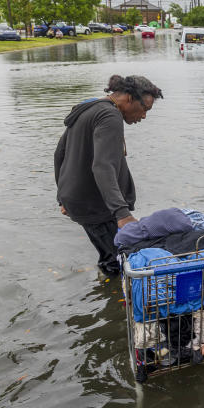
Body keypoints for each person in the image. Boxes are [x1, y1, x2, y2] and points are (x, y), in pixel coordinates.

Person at [54, 74, 164, 275]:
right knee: (122, 262)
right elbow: (103, 166)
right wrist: (122, 214)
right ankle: (120, 300)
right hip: (97, 205)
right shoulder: (109, 116)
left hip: (79, 201)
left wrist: (62, 197)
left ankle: (108, 298)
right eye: (145, 109)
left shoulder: (89, 108)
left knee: (110, 257)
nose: (144, 116)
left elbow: (59, 153)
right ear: (129, 98)